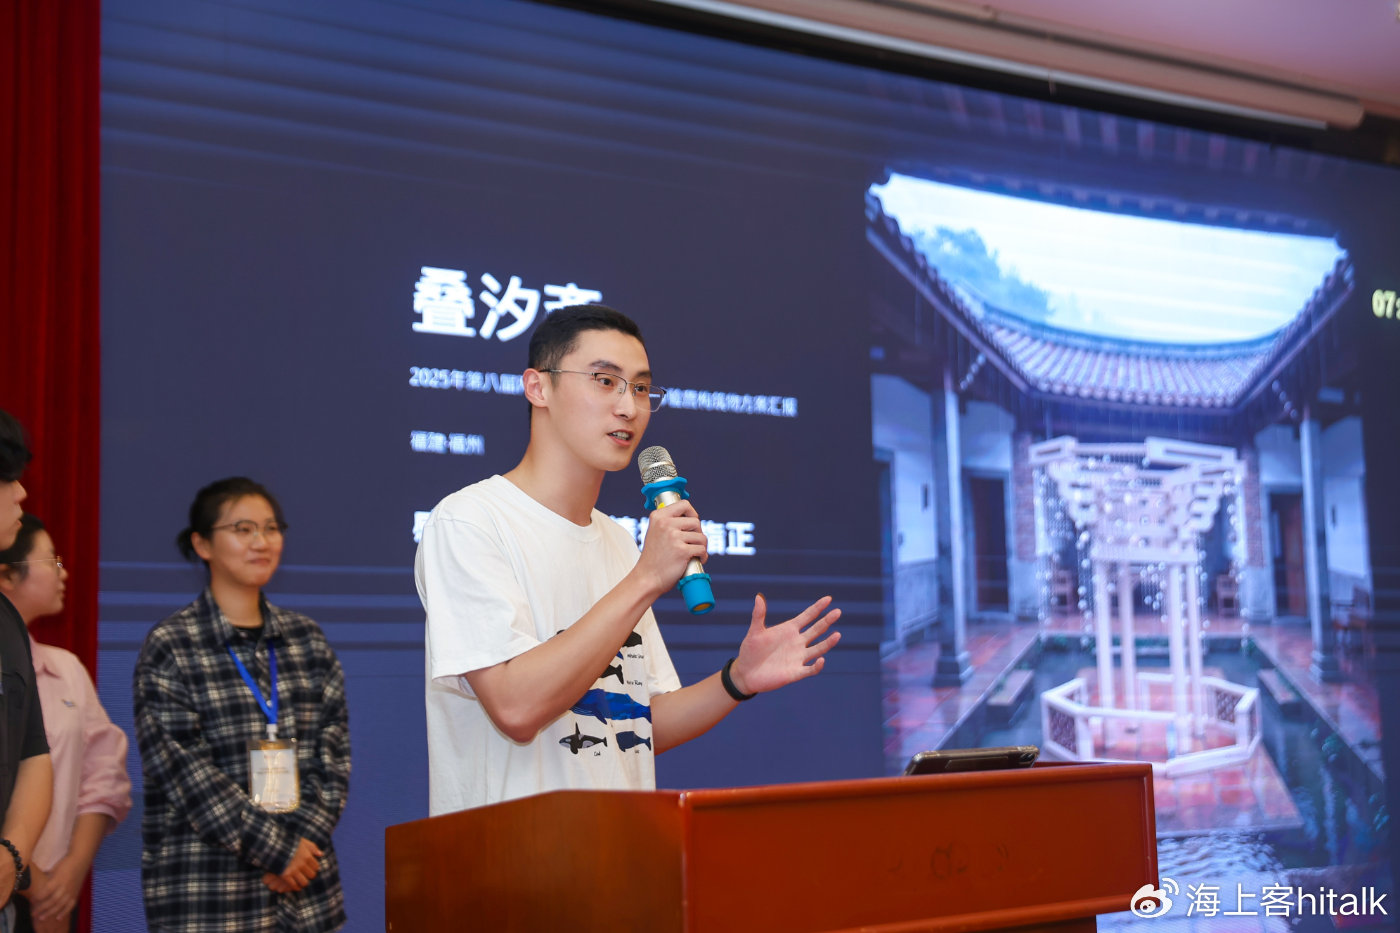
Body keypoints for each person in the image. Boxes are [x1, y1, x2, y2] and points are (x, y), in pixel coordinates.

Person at [416, 304, 841, 815]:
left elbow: (638, 723)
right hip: (512, 853)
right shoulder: (470, 521)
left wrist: (737, 680)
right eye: (605, 381)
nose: (629, 407)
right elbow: (515, 707)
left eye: (640, 388)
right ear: (538, 387)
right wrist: (645, 579)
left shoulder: (617, 541)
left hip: (620, 848)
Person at [133, 478, 349, 932]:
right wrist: (279, 851)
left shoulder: (307, 640)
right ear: (202, 544)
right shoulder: (172, 645)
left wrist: (301, 846)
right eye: (243, 529)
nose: (261, 542)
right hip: (210, 894)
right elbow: (184, 773)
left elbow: (333, 758)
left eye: (271, 528)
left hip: (306, 895)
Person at [0, 515, 131, 933]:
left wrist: (70, 874)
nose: (65, 572)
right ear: (6, 576)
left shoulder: (66, 668)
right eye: (52, 560)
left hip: (55, 900)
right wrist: (32, 882)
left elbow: (103, 776)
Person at [0, 412, 52, 933]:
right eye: (7, 480)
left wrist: (11, 856)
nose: (22, 494)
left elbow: (34, 754)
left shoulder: (7, 620)